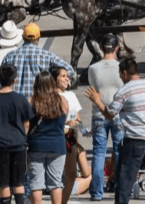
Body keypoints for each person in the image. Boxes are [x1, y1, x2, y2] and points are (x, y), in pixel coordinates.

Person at [85, 58, 145, 204]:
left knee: (125, 179)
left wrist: (97, 100)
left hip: (135, 140)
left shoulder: (124, 90)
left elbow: (110, 114)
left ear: (124, 73)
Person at [0, 65, 35, 204]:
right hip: (18, 145)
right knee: (18, 182)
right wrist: (23, 137)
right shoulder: (21, 99)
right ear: (14, 81)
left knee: (3, 183)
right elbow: (27, 123)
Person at [87, 33, 125, 201]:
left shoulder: (93, 68)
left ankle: (96, 192)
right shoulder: (121, 67)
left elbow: (93, 88)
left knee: (99, 153)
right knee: (119, 151)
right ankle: (119, 188)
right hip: (118, 114)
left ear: (101, 48)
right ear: (116, 48)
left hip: (99, 113)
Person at [0, 23, 75, 99]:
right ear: (39, 38)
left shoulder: (10, 56)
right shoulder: (46, 55)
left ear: (23, 37)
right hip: (38, 102)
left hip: (15, 102)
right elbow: (69, 69)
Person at [28, 71, 69, 204]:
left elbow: (27, 123)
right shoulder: (62, 100)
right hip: (57, 145)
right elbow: (64, 119)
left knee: (36, 183)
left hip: (36, 145)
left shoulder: (32, 100)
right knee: (56, 183)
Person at [50, 64, 83, 204]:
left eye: (67, 76)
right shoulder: (50, 96)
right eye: (62, 76)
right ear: (54, 79)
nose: (66, 79)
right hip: (55, 138)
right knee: (54, 177)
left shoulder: (71, 95)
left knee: (71, 174)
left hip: (70, 138)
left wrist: (75, 123)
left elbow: (77, 117)